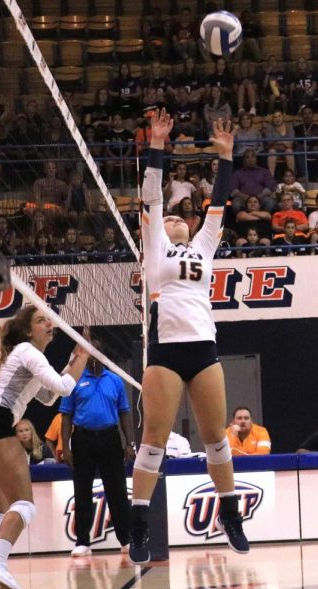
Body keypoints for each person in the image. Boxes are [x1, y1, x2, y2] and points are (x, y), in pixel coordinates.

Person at [127, 110, 249, 565]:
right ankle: (138, 527)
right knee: (153, 440)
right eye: (172, 218)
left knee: (216, 438)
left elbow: (218, 201)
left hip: (203, 348)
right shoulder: (154, 241)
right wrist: (157, 144)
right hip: (165, 351)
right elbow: (153, 197)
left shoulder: (204, 246)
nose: (179, 219)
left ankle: (230, 514)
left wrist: (225, 157)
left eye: (185, 218)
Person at [0, 306, 88, 589]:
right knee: (24, 504)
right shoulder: (27, 350)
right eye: (41, 321)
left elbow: (48, 396)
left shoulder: (22, 356)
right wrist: (84, 357)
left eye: (49, 320)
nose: (50, 325)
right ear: (27, 330)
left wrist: (75, 362)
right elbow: (64, 388)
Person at [60, 340, 135, 557]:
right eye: (88, 353)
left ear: (102, 356)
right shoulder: (73, 381)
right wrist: (66, 447)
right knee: (82, 491)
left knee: (117, 490)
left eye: (95, 353)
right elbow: (66, 417)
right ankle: (83, 542)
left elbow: (124, 412)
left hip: (110, 438)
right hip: (83, 439)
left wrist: (129, 442)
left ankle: (126, 539)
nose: (92, 357)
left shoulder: (115, 380)